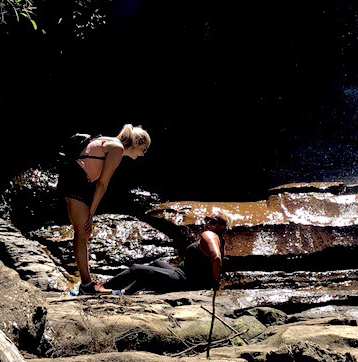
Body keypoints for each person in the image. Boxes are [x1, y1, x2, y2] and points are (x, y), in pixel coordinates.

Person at [58, 124, 151, 294]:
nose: (142, 154)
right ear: (137, 142)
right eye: (143, 149)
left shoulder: (110, 142)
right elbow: (102, 184)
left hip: (76, 179)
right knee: (81, 231)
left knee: (83, 233)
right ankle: (86, 285)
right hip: (75, 179)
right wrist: (91, 214)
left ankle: (86, 283)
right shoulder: (117, 149)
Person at [106, 211, 232, 295]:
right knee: (157, 263)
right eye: (207, 220)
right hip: (182, 275)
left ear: (222, 227)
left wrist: (214, 283)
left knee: (136, 269)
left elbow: (216, 258)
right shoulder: (219, 239)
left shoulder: (209, 235)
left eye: (213, 221)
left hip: (185, 282)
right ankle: (124, 292)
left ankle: (102, 288)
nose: (208, 223)